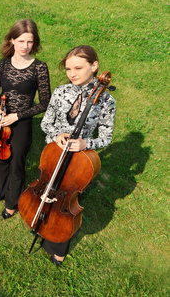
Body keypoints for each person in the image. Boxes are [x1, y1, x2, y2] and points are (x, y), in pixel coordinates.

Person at [39, 45, 116, 266]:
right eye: (68, 69)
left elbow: (106, 138)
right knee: (43, 192)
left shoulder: (106, 101)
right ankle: (40, 224)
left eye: (78, 68)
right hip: (52, 155)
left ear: (94, 66)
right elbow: (46, 123)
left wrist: (85, 143)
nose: (72, 74)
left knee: (65, 203)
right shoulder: (61, 91)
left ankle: (58, 244)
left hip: (77, 164)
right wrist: (56, 134)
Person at [0, 19, 51, 218]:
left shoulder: (39, 68)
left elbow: (45, 103)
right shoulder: (2, 65)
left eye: (30, 42)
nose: (25, 46)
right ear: (12, 40)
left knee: (16, 164)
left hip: (22, 122)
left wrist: (18, 115)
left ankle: (12, 203)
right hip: (2, 120)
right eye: (21, 41)